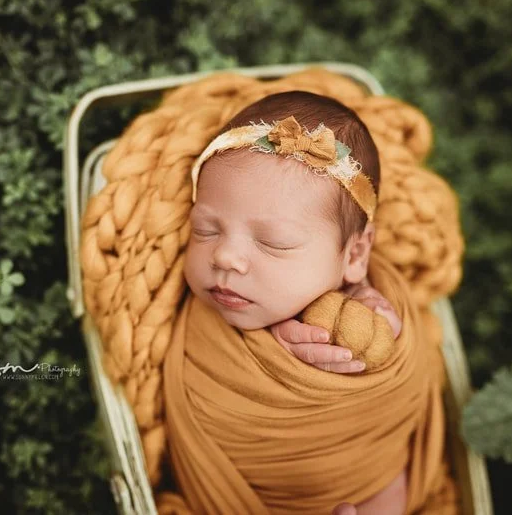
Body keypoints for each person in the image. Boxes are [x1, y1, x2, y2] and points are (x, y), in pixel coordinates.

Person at [173, 90, 415, 514]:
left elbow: (394, 391)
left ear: (354, 255)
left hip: (357, 480)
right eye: (206, 230)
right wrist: (271, 340)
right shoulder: (204, 320)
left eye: (273, 243)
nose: (224, 257)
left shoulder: (372, 298)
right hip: (240, 489)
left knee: (383, 481)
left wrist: (370, 327)